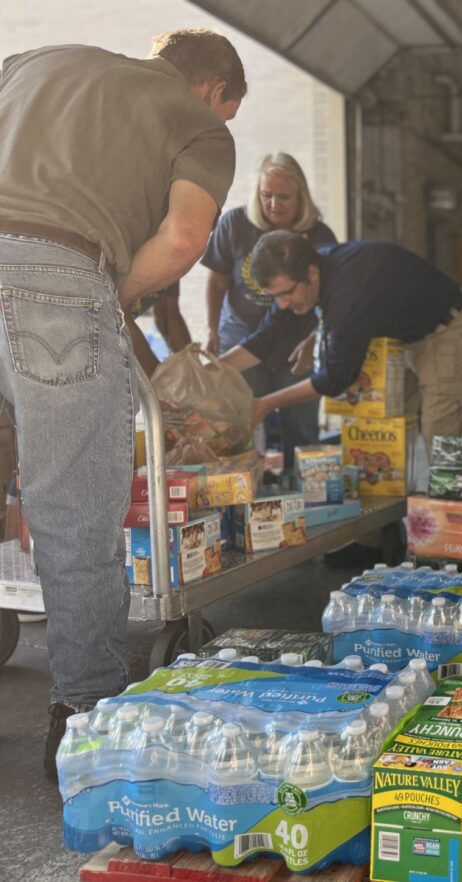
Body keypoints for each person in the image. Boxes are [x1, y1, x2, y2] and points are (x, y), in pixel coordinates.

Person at [0, 29, 246, 779]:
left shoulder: (33, 62)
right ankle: (83, 724)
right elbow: (182, 238)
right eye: (229, 110)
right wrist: (108, 293)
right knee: (74, 520)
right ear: (215, 90)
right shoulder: (198, 123)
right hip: (60, 276)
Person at [217, 230, 462, 455]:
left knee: (440, 429)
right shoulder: (309, 272)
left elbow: (336, 378)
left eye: (287, 294)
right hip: (396, 334)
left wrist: (265, 404)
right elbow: (266, 338)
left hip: (442, 328)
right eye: (275, 297)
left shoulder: (348, 292)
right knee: (386, 429)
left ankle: (452, 495)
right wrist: (213, 369)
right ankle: (400, 497)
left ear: (311, 273)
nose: (282, 305)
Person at [202, 153, 337, 463]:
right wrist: (212, 331)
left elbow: (330, 298)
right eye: (266, 195)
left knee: (300, 426)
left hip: (296, 343)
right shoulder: (235, 224)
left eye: (284, 197)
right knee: (238, 428)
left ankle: (302, 484)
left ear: (301, 196)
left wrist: (315, 340)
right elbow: (216, 283)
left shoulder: (320, 235)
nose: (274, 204)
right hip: (242, 336)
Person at [124, 282, 191, 374]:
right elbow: (122, 320)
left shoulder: (170, 274)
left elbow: (168, 313)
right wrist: (157, 376)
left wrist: (191, 366)